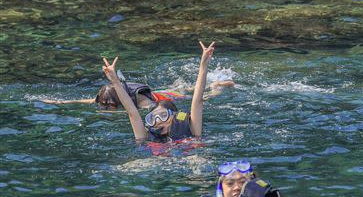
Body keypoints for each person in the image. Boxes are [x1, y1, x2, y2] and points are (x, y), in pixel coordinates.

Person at [100, 41, 216, 142]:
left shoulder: (192, 128)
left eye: (163, 115)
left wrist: (203, 64)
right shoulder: (145, 135)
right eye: (153, 118)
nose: (158, 122)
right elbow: (132, 112)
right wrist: (115, 81)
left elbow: (197, 101)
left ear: (175, 116)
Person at [42, 77, 233, 111]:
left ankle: (216, 86)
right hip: (161, 92)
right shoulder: (103, 98)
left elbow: (154, 108)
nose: (104, 108)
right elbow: (83, 100)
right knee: (184, 87)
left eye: (109, 106)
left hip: (163, 97)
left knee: (200, 97)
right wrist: (60, 103)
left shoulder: (140, 102)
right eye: (102, 105)